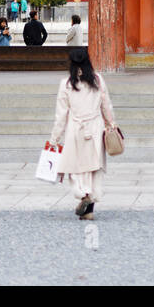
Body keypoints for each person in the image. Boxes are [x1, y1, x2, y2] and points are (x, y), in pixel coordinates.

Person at [49, 48, 117, 221]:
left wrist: (54, 139)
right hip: (95, 128)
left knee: (76, 168)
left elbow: (61, 115)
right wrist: (111, 125)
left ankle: (82, 195)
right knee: (94, 168)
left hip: (75, 130)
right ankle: (90, 208)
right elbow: (106, 105)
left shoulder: (66, 83)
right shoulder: (98, 80)